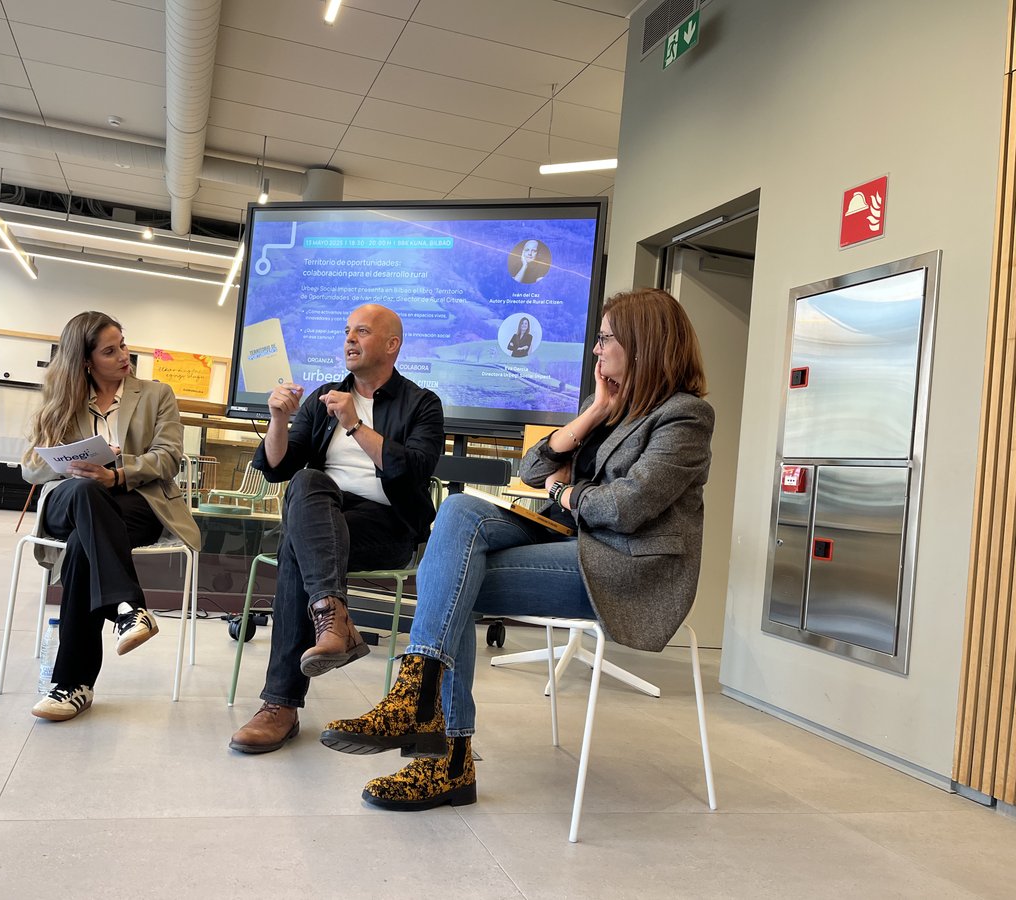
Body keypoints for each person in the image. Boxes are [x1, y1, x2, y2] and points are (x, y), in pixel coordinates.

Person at [319, 288, 713, 810]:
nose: (597, 350)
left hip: (623, 564)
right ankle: (420, 705)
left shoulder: (685, 417)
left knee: (454, 580)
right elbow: (530, 469)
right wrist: (596, 410)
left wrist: (564, 492)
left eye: (605, 339)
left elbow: (626, 508)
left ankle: (440, 749)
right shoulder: (608, 407)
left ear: (643, 344)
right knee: (459, 512)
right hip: (569, 537)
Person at [229, 304, 445, 754]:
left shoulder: (422, 403)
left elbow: (413, 471)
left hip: (388, 525)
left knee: (297, 547)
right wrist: (278, 419)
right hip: (325, 516)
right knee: (307, 482)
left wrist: (356, 425)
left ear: (392, 345)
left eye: (361, 332)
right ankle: (333, 617)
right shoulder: (324, 397)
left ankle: (280, 706)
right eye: (347, 331)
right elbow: (278, 467)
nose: (349, 339)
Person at [21, 311, 200, 722]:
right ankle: (128, 606)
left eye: (123, 345)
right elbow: (30, 467)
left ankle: (72, 685)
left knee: (83, 545)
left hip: (135, 500)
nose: (123, 356)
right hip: (70, 500)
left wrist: (117, 471)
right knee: (85, 492)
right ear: (86, 361)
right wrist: (71, 464)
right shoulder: (62, 401)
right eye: (110, 351)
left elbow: (169, 457)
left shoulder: (156, 394)